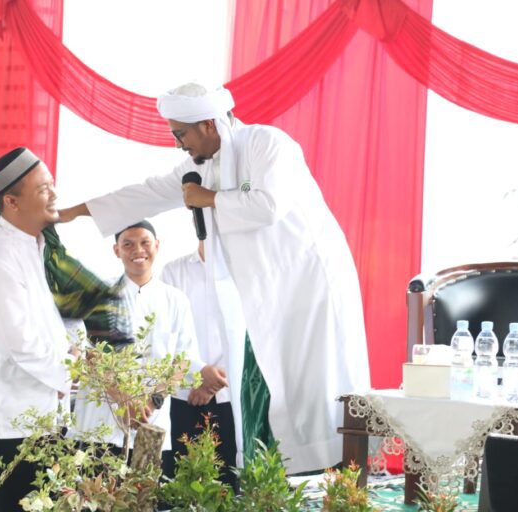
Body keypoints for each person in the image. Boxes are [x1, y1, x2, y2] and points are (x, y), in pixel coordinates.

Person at [60, 82, 371, 473]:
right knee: (285, 391)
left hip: (309, 284)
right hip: (266, 293)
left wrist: (207, 198)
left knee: (322, 384)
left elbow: (269, 205)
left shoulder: (266, 143)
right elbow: (147, 193)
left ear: (207, 124)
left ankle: (345, 474)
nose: (178, 144)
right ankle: (299, 475)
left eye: (181, 134)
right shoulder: (201, 167)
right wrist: (74, 212)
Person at [0, 147, 77, 510]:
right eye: (43, 189)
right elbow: (18, 342)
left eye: (52, 184)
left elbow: (46, 324)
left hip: (36, 415)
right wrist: (68, 372)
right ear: (11, 201)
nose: (54, 194)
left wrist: (71, 353)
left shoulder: (33, 245)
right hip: (4, 422)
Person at [72, 220, 227, 478]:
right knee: (94, 494)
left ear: (157, 246)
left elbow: (182, 361)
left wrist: (152, 401)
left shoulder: (175, 300)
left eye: (145, 242)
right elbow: (90, 355)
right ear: (116, 250)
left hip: (151, 427)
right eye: (128, 244)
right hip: (100, 426)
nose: (138, 250)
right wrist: (125, 401)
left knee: (143, 494)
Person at [161, 239, 243, 486]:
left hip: (230, 395)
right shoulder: (174, 271)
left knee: (228, 481)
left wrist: (213, 383)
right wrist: (198, 374)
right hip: (185, 394)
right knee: (181, 481)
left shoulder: (243, 270)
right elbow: (167, 334)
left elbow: (251, 333)